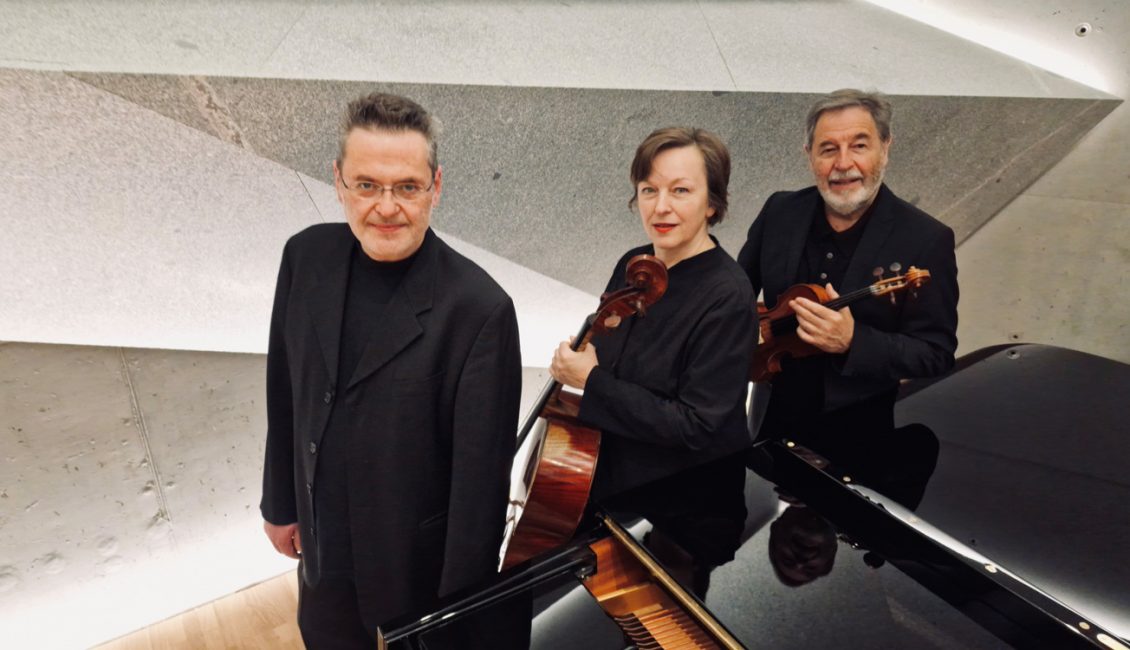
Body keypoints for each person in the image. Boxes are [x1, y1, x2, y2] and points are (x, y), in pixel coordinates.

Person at [259, 92, 524, 648]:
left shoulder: (480, 309)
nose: (386, 207)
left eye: (407, 187)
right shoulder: (304, 257)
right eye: (366, 185)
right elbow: (285, 391)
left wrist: (454, 619)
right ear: (338, 181)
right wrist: (280, 505)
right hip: (322, 559)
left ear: (436, 187)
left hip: (413, 581)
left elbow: (479, 495)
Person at [550, 126, 755, 595]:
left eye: (680, 191)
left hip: (681, 512)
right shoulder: (636, 263)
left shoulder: (727, 295)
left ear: (712, 203)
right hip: (615, 484)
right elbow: (608, 354)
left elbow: (696, 426)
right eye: (649, 190)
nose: (661, 207)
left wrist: (592, 380)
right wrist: (580, 361)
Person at [738, 89, 958, 445]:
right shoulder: (780, 211)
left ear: (885, 148)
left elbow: (936, 354)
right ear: (809, 155)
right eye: (828, 149)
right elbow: (734, 293)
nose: (843, 163)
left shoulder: (927, 239)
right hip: (770, 414)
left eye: (859, 146)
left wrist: (853, 340)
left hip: (859, 429)